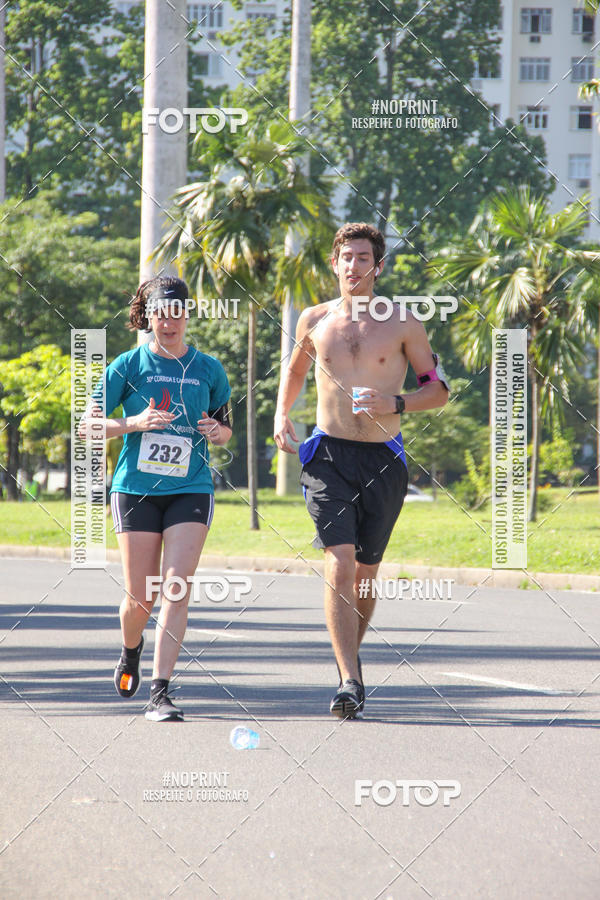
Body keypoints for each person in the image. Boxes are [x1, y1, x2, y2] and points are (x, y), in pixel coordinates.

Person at [274, 222, 449, 719]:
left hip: (383, 458)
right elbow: (295, 370)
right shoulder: (314, 318)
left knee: (367, 575)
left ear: (379, 266)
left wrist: (397, 402)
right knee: (340, 560)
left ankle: (350, 659)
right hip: (328, 456)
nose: (354, 266)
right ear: (334, 263)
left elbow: (438, 390)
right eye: (346, 257)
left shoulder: (404, 323)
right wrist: (282, 414)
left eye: (364, 258)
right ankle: (349, 678)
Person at [82, 275, 232, 722]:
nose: (168, 322)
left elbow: (225, 429)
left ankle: (160, 691)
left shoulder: (210, 369)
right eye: (160, 314)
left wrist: (216, 432)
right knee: (140, 598)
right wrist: (134, 423)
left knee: (176, 587)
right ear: (148, 317)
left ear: (187, 315)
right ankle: (131, 649)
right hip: (135, 490)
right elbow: (87, 427)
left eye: (176, 313)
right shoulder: (127, 366)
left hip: (191, 487)